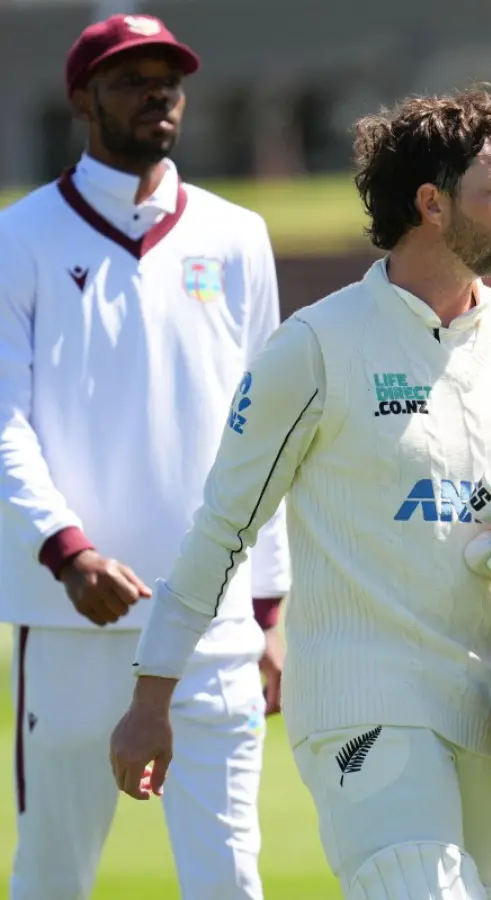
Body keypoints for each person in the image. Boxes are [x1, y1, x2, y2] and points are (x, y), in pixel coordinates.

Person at [108, 86, 491, 900]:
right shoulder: (315, 347)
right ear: (431, 204)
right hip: (364, 700)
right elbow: (222, 531)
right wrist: (153, 694)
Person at [0, 13, 290, 900]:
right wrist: (67, 550)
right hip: (69, 618)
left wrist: (271, 607)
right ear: (83, 98)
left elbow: (268, 432)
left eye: (168, 77)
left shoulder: (237, 235)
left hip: (214, 618)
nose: (156, 93)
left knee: (230, 880)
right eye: (130, 79)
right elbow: (3, 419)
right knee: (54, 876)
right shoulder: (21, 238)